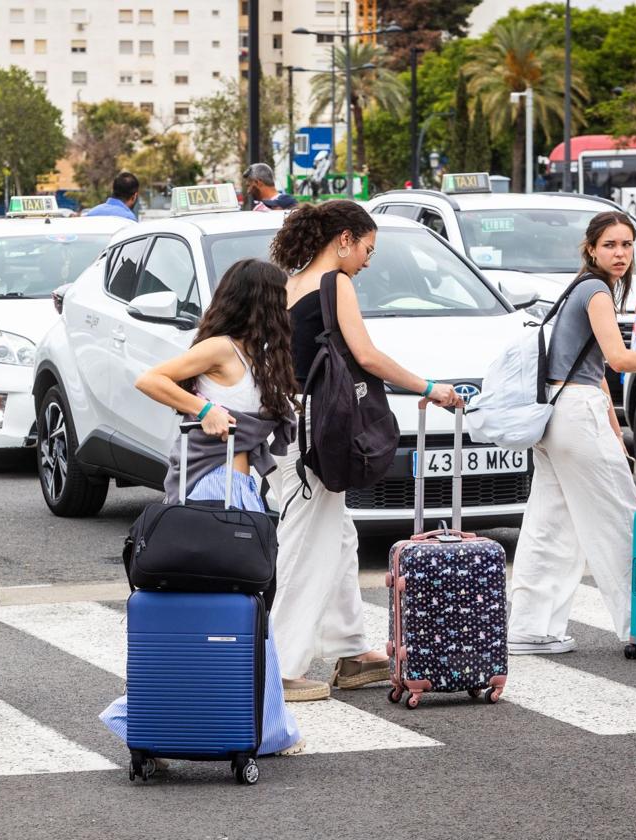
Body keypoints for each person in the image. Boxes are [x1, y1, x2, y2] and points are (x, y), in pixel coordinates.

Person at [100, 258, 305, 757]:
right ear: (262, 301)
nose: (289, 306)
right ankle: (185, 715)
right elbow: (151, 380)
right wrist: (206, 409)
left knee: (243, 607)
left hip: (243, 491)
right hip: (208, 488)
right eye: (282, 297)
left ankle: (250, 723)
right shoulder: (220, 348)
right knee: (223, 606)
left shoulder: (264, 356)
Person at [267, 200, 462, 702]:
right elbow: (366, 354)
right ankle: (278, 667)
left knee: (338, 538)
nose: (368, 261)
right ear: (344, 240)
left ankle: (351, 650)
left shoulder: (289, 284)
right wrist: (429, 386)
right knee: (306, 544)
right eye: (367, 249)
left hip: (289, 423)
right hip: (317, 431)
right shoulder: (336, 283)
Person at [507, 211, 636, 654]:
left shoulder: (579, 288)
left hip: (560, 413)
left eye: (627, 245)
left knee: (549, 524)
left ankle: (530, 628)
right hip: (575, 414)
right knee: (623, 518)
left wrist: (615, 428)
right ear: (591, 248)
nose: (620, 253)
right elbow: (617, 360)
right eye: (611, 245)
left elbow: (589, 368)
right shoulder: (595, 291)